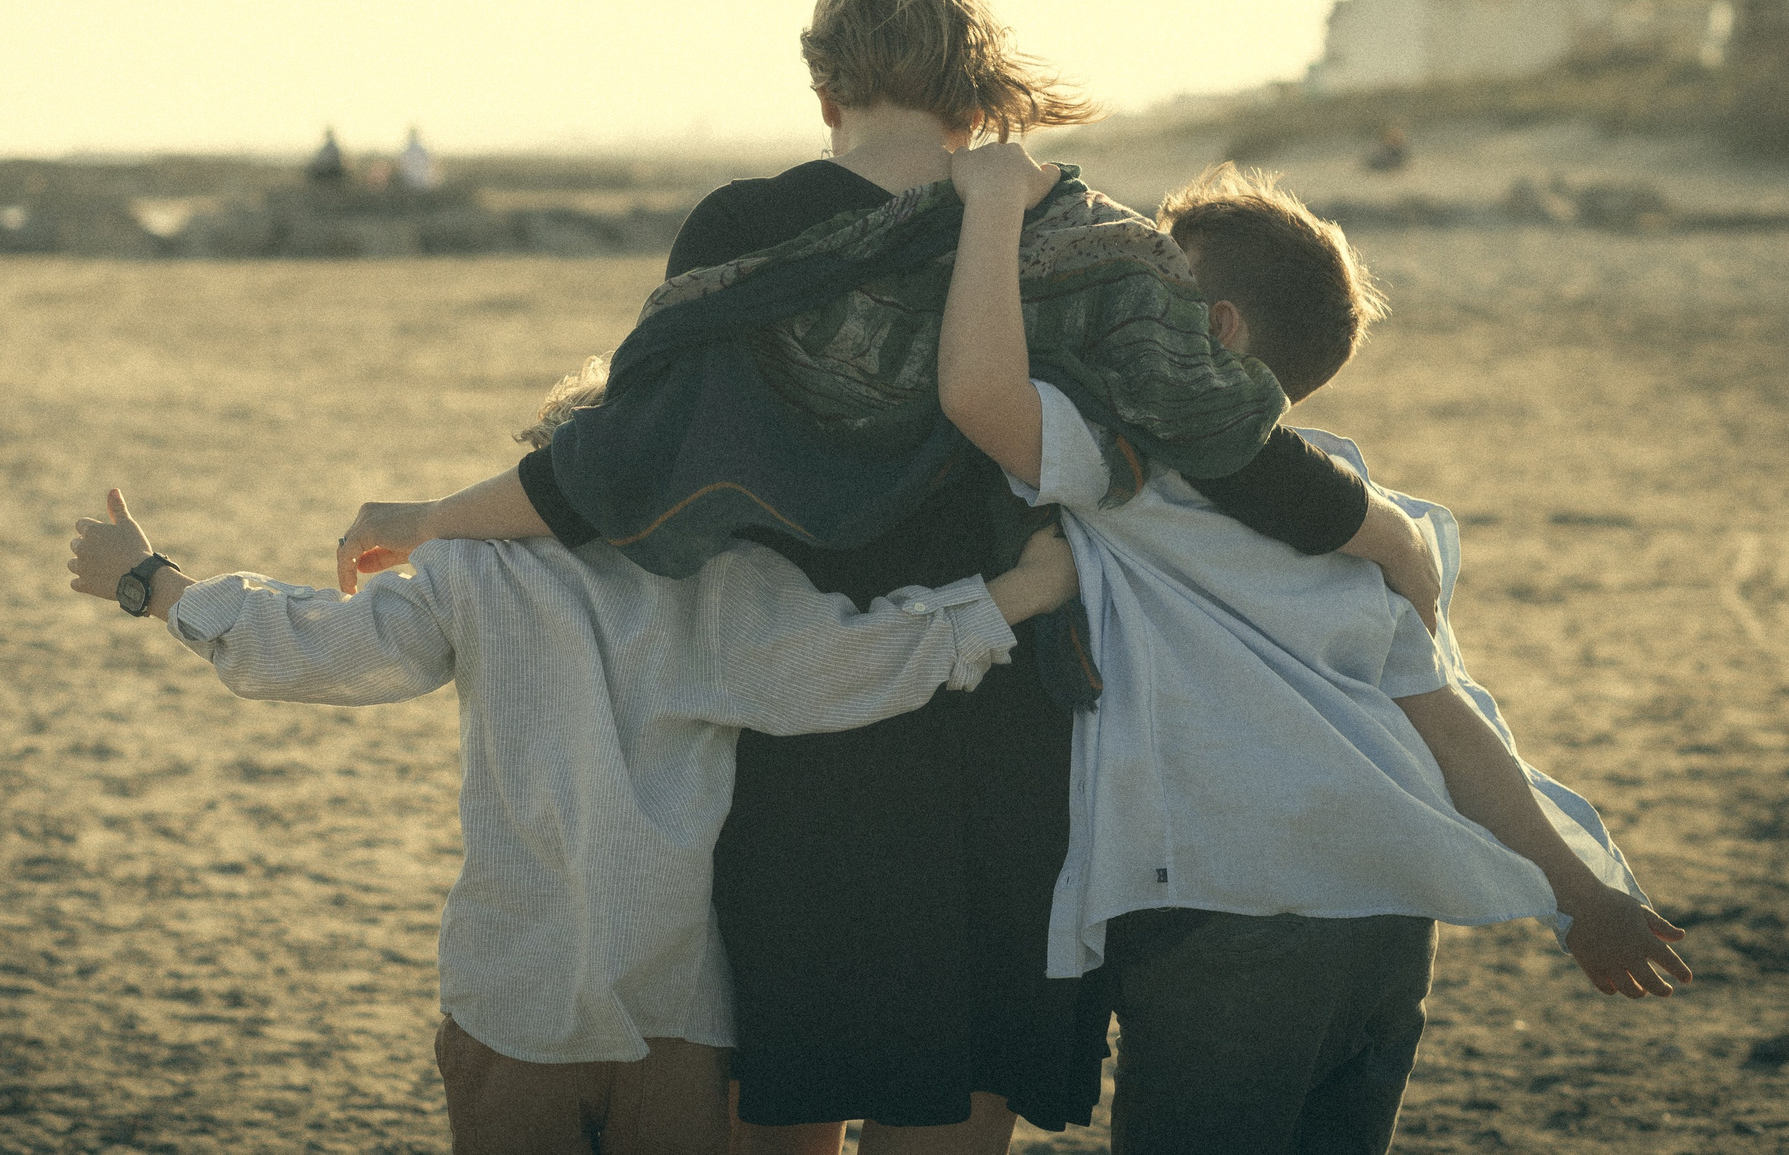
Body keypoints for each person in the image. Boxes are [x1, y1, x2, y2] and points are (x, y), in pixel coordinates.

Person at [334, 0, 1442, 1152]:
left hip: (809, 716)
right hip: (1011, 701)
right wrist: (1384, 533)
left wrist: (433, 516)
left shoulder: (743, 229)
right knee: (961, 1081)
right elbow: (1223, 436)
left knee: (791, 1077)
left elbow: (626, 460)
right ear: (978, 94)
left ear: (824, 88)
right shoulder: (1065, 231)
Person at [936, 149, 1690, 1152]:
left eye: (1149, 290)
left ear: (1214, 333)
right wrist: (1581, 897)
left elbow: (981, 391)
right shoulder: (1351, 496)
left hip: (1231, 913)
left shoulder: (1133, 469)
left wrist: (986, 209)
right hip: (1385, 918)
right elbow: (1452, 727)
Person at [64, 434, 1085, 1155]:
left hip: (515, 999)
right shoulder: (720, 583)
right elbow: (852, 663)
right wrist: (1013, 596)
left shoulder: (476, 572)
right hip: (675, 1012)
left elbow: (315, 648)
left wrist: (149, 582)